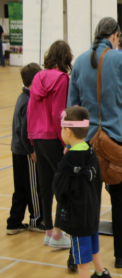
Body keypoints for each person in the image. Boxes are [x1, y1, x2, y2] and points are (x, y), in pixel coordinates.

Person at [68, 17, 122, 268]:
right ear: (114, 36)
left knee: (84, 200)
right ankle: (121, 254)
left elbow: (72, 107)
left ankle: (75, 256)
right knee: (120, 198)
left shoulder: (79, 61)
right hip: (119, 140)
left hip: (87, 141)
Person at [54, 107, 112, 278]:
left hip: (78, 218)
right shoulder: (91, 151)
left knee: (82, 262)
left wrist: (57, 224)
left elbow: (60, 191)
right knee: (94, 246)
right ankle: (101, 273)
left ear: (68, 131)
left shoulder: (68, 161)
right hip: (92, 212)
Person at [27, 40, 72, 250]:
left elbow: (30, 111)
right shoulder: (63, 79)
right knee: (62, 185)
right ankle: (58, 233)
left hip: (37, 137)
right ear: (66, 57)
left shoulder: (37, 77)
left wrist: (31, 139)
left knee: (45, 186)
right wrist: (66, 141)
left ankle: (48, 231)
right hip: (54, 138)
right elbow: (58, 113)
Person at [6, 63, 44, 235]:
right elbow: (24, 133)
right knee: (33, 188)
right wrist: (33, 152)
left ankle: (14, 222)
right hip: (25, 152)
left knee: (20, 188)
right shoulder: (28, 101)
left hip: (17, 151)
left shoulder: (22, 97)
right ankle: (36, 219)